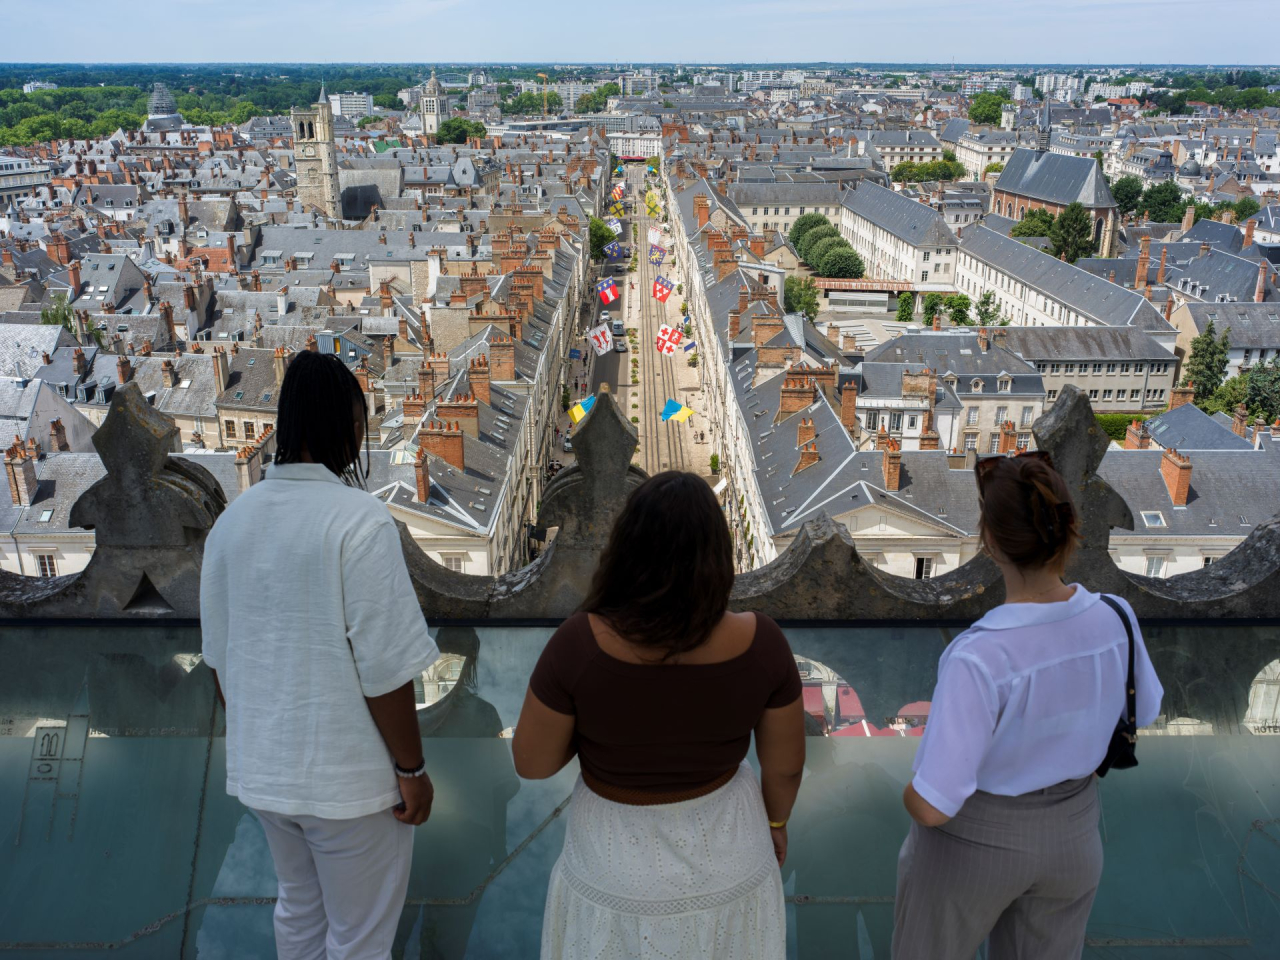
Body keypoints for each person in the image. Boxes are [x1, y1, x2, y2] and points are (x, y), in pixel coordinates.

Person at [201, 351, 439, 959]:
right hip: (349, 784)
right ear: (348, 428)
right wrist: (411, 771)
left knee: (299, 913)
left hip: (264, 775)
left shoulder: (230, 524)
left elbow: (223, 668)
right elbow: (385, 672)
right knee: (359, 940)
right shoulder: (359, 522)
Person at [513, 472, 804, 960]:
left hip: (614, 865)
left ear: (626, 551)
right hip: (730, 855)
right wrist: (775, 822)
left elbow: (532, 762)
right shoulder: (764, 642)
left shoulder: (578, 644)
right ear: (717, 556)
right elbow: (787, 766)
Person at [893, 451, 1163, 960]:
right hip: (1075, 830)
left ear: (991, 542)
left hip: (975, 840)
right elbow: (1143, 710)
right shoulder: (1116, 618)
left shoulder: (979, 654)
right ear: (1067, 529)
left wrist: (904, 794)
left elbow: (932, 805)